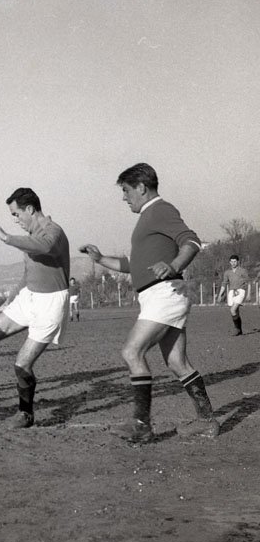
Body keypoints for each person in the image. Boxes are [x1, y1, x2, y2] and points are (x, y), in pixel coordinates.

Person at [79, 162, 219, 442]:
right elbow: (133, 265)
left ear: (142, 187)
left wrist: (174, 265)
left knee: (132, 352)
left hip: (164, 294)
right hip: (160, 296)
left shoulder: (160, 210)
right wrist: (100, 258)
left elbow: (191, 241)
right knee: (178, 363)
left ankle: (142, 424)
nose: (124, 197)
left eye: (126, 190)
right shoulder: (148, 217)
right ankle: (207, 421)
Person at [0, 187, 70, 429]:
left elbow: (46, 247)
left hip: (50, 304)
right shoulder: (31, 237)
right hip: (29, 297)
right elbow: (28, 275)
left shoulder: (53, 231)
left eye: (16, 214)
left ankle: (25, 413)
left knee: (22, 364)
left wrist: (7, 238)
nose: (15, 220)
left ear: (30, 209)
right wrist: (10, 301)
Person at [217, 254, 249, 336]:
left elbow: (248, 282)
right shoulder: (227, 272)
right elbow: (224, 284)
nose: (233, 263)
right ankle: (240, 330)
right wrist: (220, 294)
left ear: (238, 262)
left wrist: (248, 294)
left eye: (235, 261)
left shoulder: (243, 271)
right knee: (236, 312)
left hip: (240, 291)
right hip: (232, 292)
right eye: (232, 261)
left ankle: (236, 329)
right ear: (229, 262)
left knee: (232, 310)